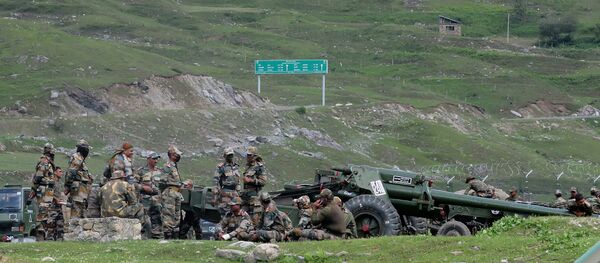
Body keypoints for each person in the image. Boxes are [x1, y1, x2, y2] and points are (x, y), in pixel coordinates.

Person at [31, 143, 58, 241]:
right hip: (43, 192)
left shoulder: (49, 162)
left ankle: (45, 237)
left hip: (47, 192)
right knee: (42, 215)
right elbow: (38, 177)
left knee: (46, 215)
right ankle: (40, 237)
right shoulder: (44, 161)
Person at [136, 151, 163, 239]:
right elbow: (133, 185)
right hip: (144, 200)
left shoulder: (160, 172)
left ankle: (157, 237)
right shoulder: (140, 171)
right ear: (148, 159)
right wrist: (143, 187)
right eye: (154, 159)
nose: (156, 161)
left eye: (157, 159)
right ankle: (144, 237)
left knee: (158, 219)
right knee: (144, 220)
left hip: (157, 201)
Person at [65, 140, 93, 219]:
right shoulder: (77, 157)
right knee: (76, 216)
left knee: (81, 215)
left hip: (82, 193)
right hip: (78, 192)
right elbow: (71, 173)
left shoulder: (81, 160)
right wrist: (67, 186)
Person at [161, 145, 184, 239]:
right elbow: (162, 180)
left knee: (177, 216)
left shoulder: (174, 166)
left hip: (177, 193)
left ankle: (175, 237)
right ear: (172, 155)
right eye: (176, 155)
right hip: (170, 193)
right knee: (169, 216)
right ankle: (168, 237)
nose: (178, 157)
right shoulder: (168, 166)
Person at [241, 147, 267, 225]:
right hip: (245, 197)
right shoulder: (248, 167)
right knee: (243, 218)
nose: (247, 157)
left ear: (254, 156)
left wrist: (251, 180)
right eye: (247, 155)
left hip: (254, 198)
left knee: (255, 220)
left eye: (250, 155)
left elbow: (263, 181)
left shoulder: (259, 167)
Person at [214, 148, 241, 217]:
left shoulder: (236, 166)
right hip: (225, 192)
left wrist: (238, 191)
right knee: (225, 213)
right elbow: (216, 180)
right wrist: (218, 192)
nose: (230, 157)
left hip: (235, 193)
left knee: (235, 213)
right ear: (225, 156)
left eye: (231, 155)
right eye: (228, 155)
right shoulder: (221, 167)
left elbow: (238, 179)